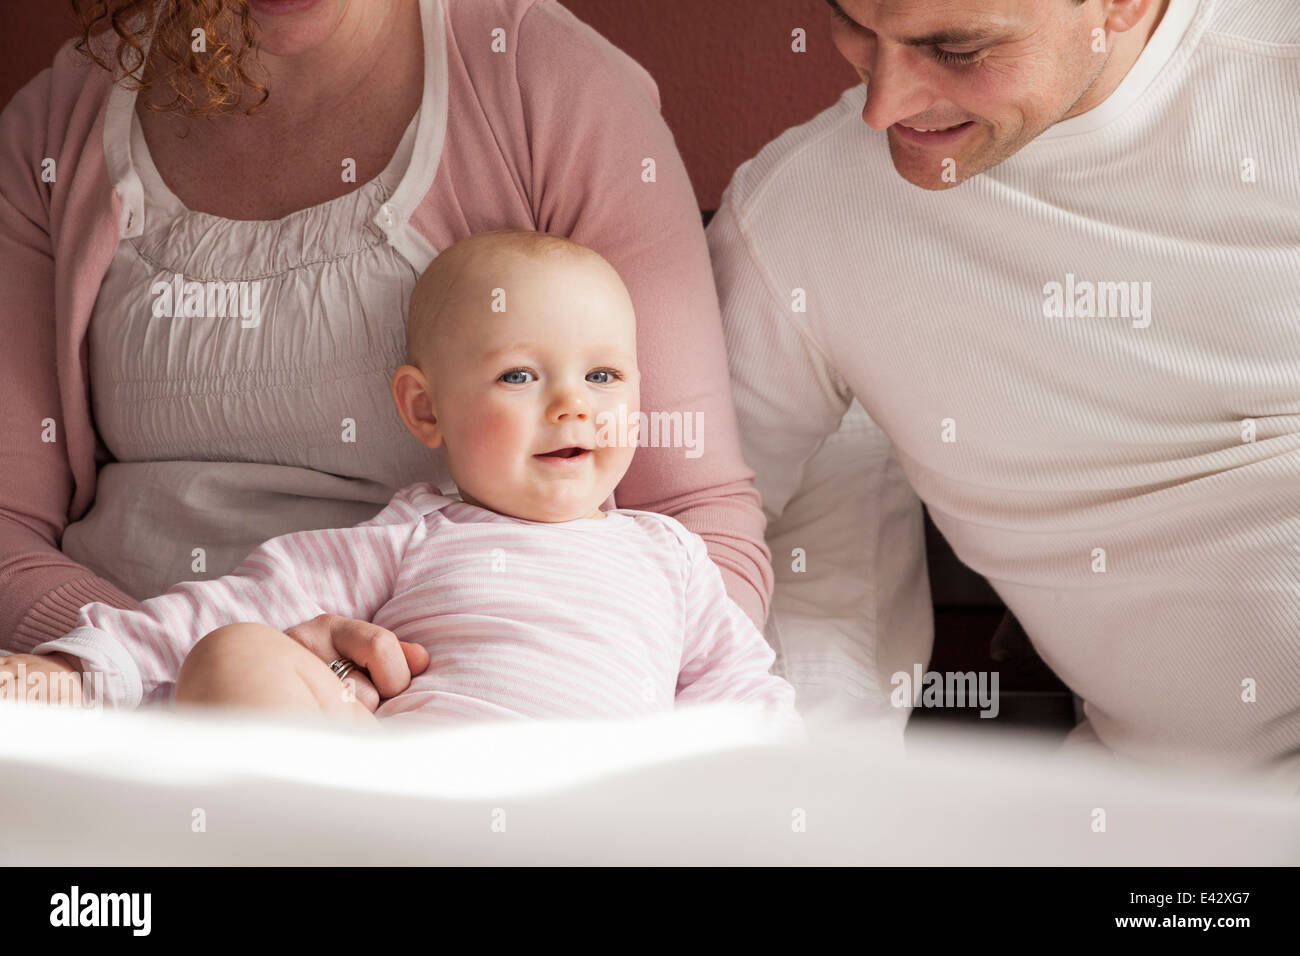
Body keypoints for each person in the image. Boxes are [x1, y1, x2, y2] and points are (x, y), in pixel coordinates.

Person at [0, 0, 771, 694]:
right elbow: (8, 523)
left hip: (438, 703)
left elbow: (696, 518)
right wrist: (119, 670)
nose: (573, 400)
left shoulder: (552, 89)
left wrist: (540, 696)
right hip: (111, 689)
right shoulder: (59, 123)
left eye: (600, 376)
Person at [708, 0, 1300, 769]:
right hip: (1180, 822)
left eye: (956, 49)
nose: (884, 104)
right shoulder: (798, 217)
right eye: (855, 25)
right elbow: (681, 532)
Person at [5, 231, 799, 730]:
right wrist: (74, 671)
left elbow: (745, 704)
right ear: (426, 409)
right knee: (234, 654)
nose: (572, 405)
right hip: (400, 809)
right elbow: (232, 605)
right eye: (520, 376)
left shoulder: (672, 557)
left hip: (592, 821)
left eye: (602, 374)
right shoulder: (412, 533)